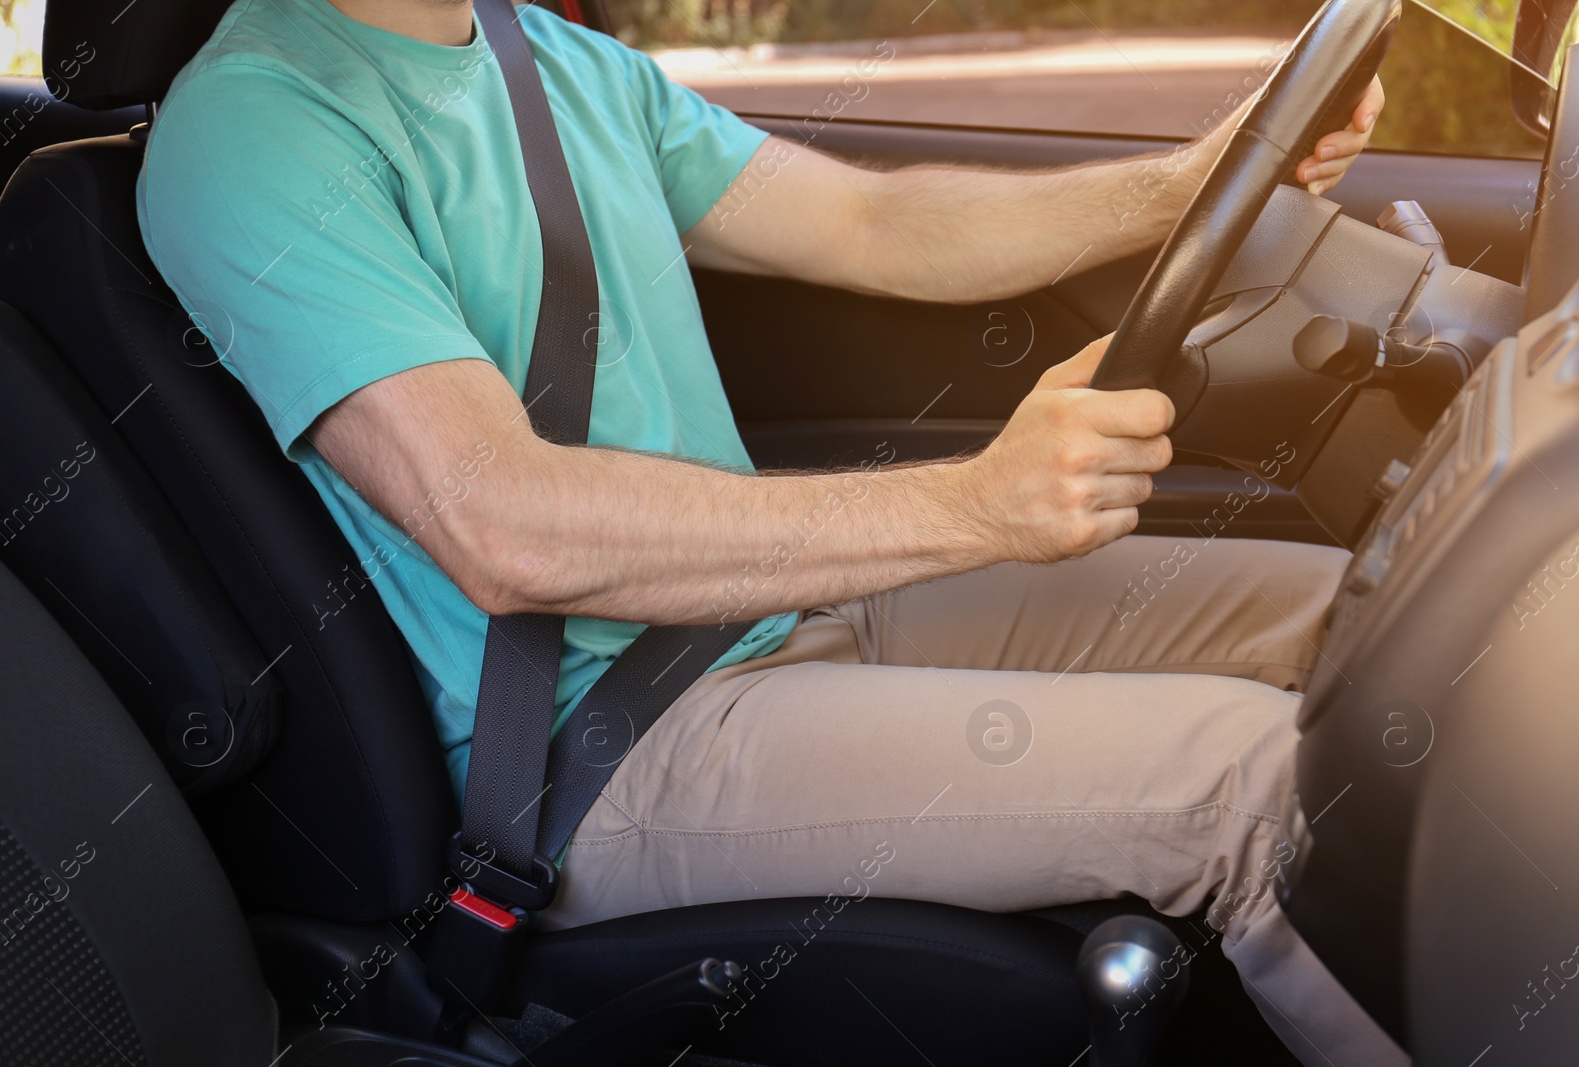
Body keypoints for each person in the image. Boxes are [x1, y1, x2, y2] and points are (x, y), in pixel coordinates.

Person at [137, 0, 1401, 1062]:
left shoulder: (549, 59)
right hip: (604, 745)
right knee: (1250, 783)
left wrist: (1191, 180)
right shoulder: (256, 124)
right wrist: (975, 501)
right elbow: (503, 524)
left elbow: (874, 225)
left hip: (765, 610)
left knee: (1370, 617)